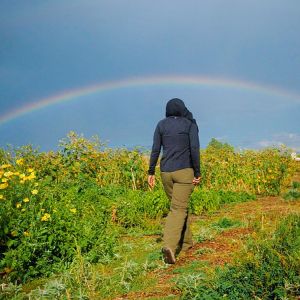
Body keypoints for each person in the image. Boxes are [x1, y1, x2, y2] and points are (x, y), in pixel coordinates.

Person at [148, 98, 201, 264]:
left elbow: (156, 148)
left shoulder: (161, 125)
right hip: (184, 171)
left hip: (166, 173)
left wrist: (151, 172)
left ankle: (187, 243)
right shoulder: (189, 124)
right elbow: (194, 148)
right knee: (178, 209)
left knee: (179, 207)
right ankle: (169, 246)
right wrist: (197, 172)